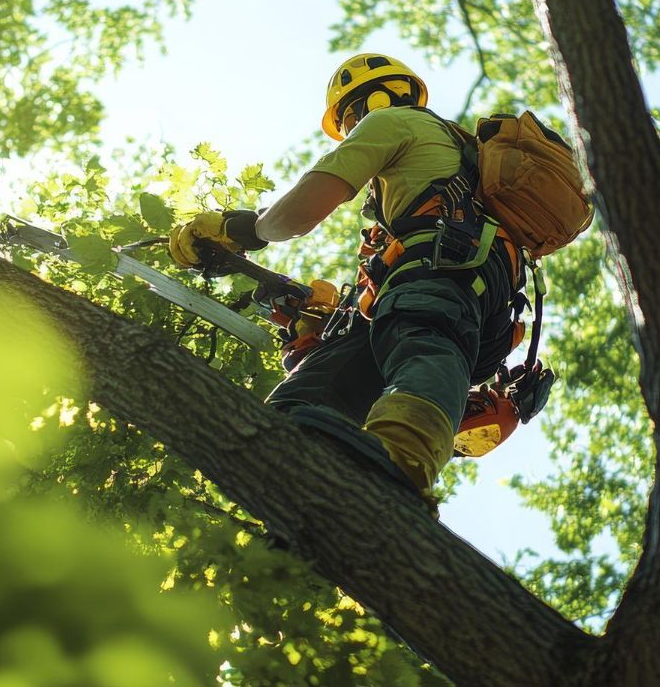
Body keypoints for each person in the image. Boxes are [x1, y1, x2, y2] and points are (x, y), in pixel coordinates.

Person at [169, 53, 528, 499]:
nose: (353, 128)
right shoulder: (436, 165)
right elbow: (388, 276)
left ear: (372, 101)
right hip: (458, 296)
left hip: (444, 274)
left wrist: (242, 229)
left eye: (349, 119)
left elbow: (299, 213)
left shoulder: (395, 122)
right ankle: (288, 467)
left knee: (419, 338)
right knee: (318, 386)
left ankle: (399, 467)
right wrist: (321, 318)